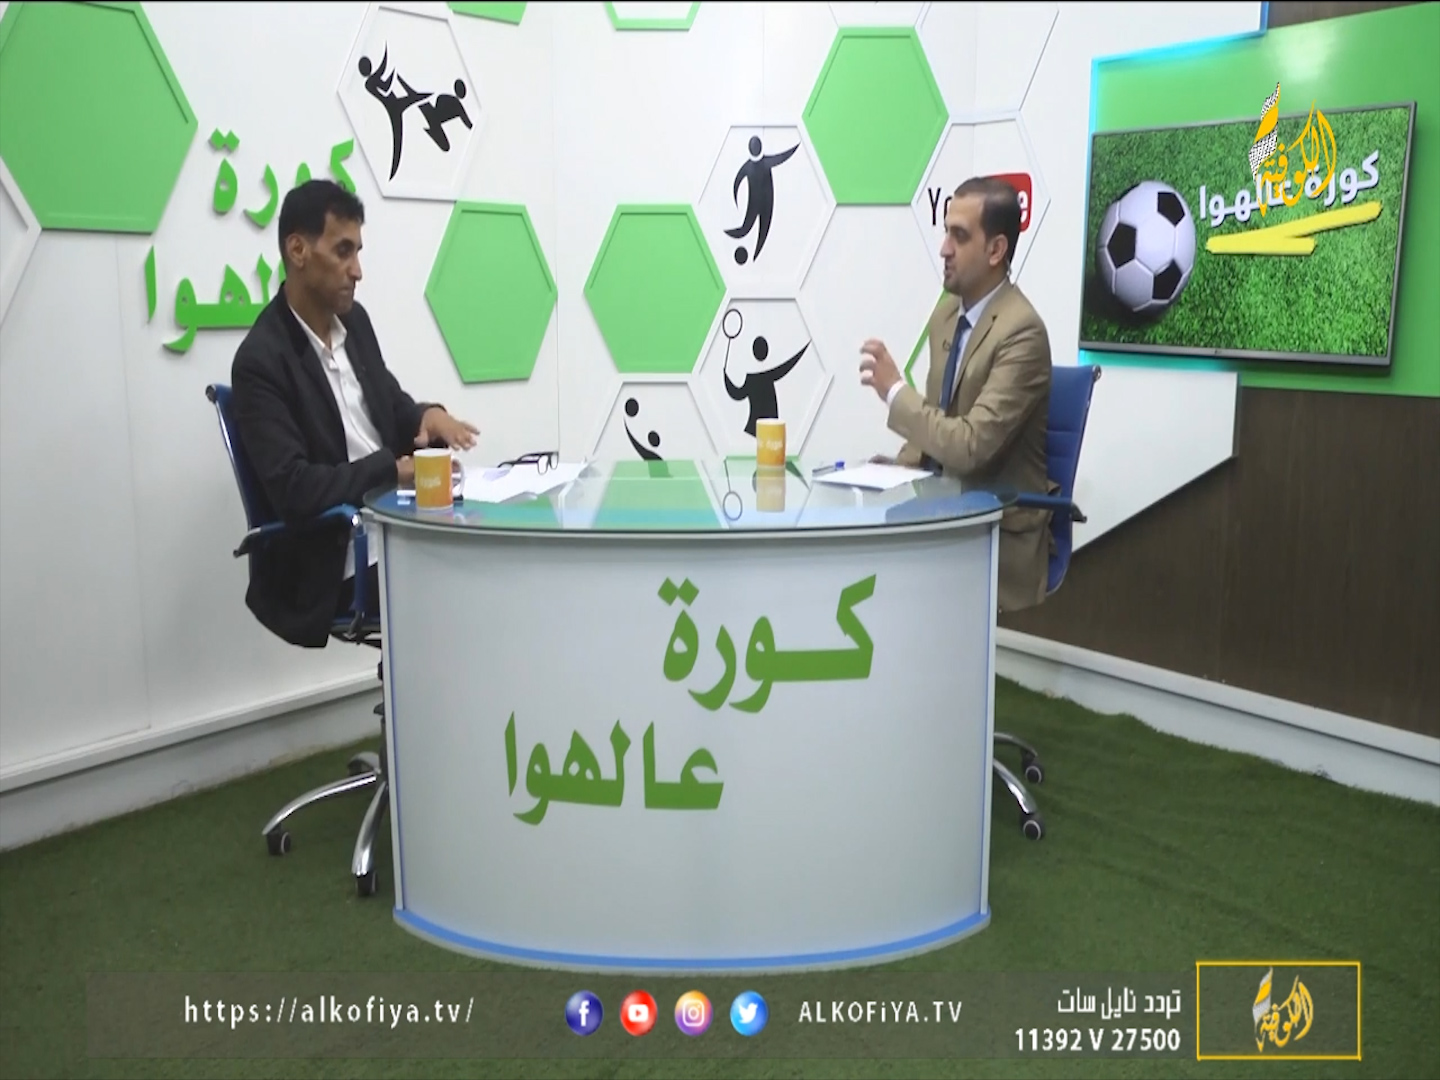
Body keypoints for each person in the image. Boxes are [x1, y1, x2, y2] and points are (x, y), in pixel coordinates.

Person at [231, 179, 479, 647]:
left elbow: (390, 405)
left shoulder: (354, 322)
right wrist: (391, 470)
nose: (357, 271)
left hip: (397, 525)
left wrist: (428, 416)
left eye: (358, 252)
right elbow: (294, 488)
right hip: (336, 557)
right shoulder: (261, 361)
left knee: (495, 556)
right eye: (343, 251)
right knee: (472, 584)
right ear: (298, 250)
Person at [858, 176, 1054, 615]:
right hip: (940, 511)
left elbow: (969, 447)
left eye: (959, 236)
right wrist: (898, 468)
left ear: (996, 250)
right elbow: (937, 416)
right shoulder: (946, 315)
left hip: (992, 531)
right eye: (946, 232)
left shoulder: (1023, 332)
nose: (944, 248)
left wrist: (894, 392)